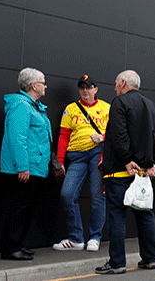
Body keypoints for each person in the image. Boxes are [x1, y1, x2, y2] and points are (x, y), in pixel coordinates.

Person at [96, 70, 155, 275]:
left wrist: (127, 160)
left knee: (117, 215)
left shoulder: (119, 103)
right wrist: (154, 162)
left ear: (124, 83)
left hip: (119, 171)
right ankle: (150, 258)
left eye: (116, 83)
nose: (115, 86)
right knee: (145, 214)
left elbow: (118, 134)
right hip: (143, 173)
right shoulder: (152, 106)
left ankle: (117, 263)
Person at [0, 68, 52, 261]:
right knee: (18, 209)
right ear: (33, 85)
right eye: (43, 82)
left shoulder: (35, 106)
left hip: (35, 168)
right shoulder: (21, 106)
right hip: (23, 169)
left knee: (26, 208)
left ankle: (17, 244)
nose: (45, 86)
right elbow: (17, 138)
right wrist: (22, 166)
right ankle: (10, 248)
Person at [53, 75, 109, 252]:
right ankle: (76, 239)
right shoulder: (71, 109)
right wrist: (60, 161)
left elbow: (118, 133)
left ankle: (95, 237)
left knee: (96, 195)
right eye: (81, 88)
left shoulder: (106, 108)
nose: (85, 91)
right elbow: (63, 136)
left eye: (88, 87)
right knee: (67, 194)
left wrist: (102, 137)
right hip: (76, 156)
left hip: (97, 153)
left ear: (95, 89)